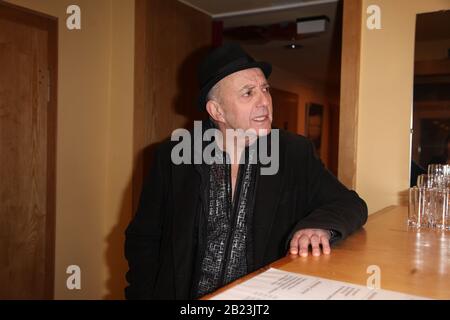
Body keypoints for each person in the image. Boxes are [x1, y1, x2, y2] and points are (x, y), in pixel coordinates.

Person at [124, 43, 368, 300]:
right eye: (248, 93)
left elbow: (350, 204)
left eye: (265, 89)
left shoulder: (293, 153)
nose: (264, 101)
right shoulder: (174, 157)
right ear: (217, 111)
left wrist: (319, 226)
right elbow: (144, 238)